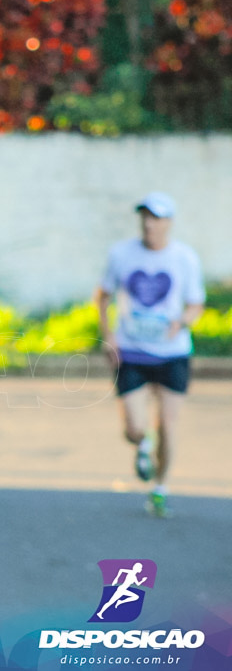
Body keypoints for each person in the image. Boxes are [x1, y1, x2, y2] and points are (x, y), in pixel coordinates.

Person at [96, 191, 205, 518]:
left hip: (172, 353)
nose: (148, 224)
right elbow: (102, 296)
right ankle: (143, 445)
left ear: (168, 222)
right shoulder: (121, 254)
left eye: (156, 217)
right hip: (130, 351)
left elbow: (196, 304)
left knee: (169, 426)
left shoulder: (184, 258)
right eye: (144, 216)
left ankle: (160, 488)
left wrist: (182, 321)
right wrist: (108, 336)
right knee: (134, 429)